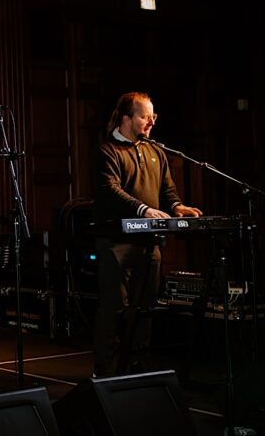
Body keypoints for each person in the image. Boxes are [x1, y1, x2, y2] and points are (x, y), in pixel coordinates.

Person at [93, 91, 202, 377]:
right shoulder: (108, 150)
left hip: (149, 241)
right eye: (144, 116)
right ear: (126, 118)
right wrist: (143, 210)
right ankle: (105, 369)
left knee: (147, 305)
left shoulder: (155, 151)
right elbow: (110, 190)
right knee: (114, 305)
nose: (150, 122)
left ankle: (138, 363)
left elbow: (167, 188)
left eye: (152, 116)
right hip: (116, 241)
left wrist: (177, 206)